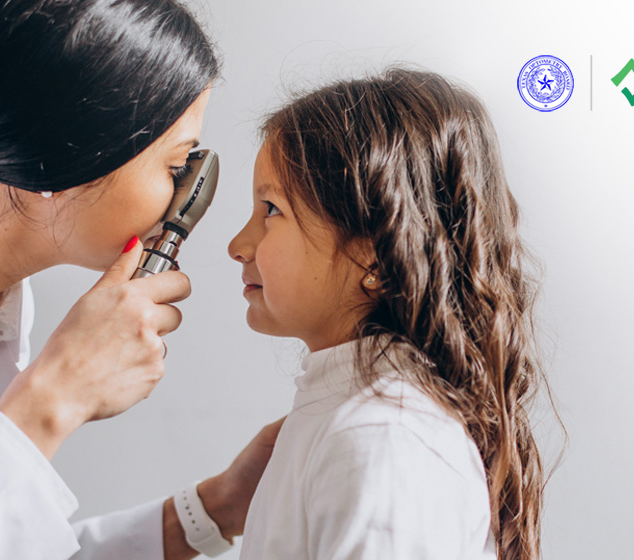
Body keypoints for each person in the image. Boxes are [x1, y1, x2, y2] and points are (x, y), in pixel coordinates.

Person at [0, 1, 281, 559]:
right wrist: (58, 394)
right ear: (63, 152)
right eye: (176, 169)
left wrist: (216, 510)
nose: (183, 199)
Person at [227, 67, 559, 560]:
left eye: (271, 209)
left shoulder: (384, 440)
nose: (239, 245)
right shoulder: (355, 422)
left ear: (376, 257)